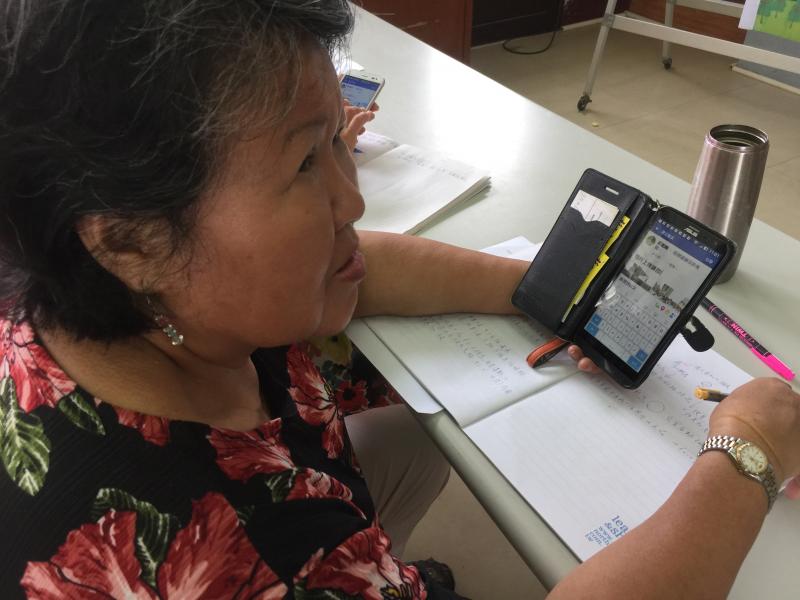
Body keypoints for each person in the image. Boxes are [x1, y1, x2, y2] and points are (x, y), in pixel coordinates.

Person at [0, 1, 797, 599]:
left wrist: (548, 295)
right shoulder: (251, 558)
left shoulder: (99, 298)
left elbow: (362, 266)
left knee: (420, 440)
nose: (352, 200)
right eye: (303, 165)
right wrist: (748, 455)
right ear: (132, 240)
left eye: (337, 141)